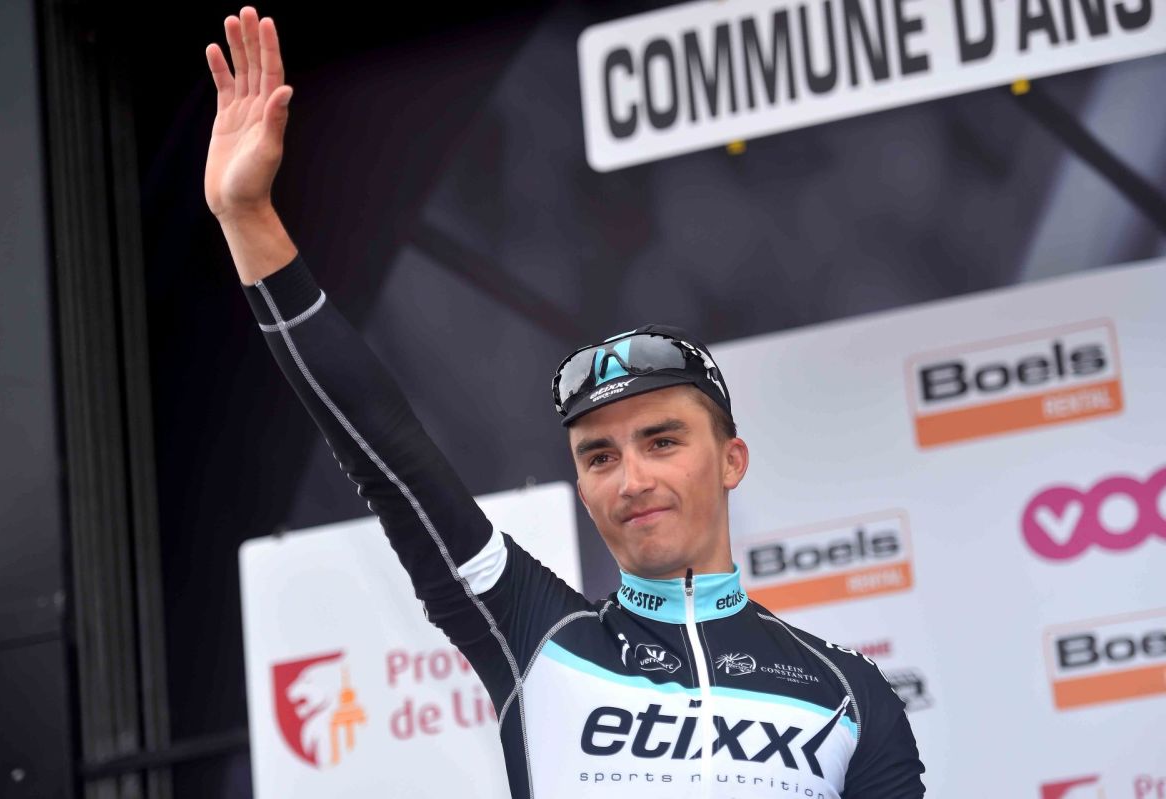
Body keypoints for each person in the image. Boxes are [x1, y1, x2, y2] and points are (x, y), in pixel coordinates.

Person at [204, 7, 926, 797]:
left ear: (732, 459)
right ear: (581, 486)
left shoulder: (848, 694)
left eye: (661, 440)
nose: (632, 479)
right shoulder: (536, 634)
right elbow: (384, 444)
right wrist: (249, 218)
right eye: (599, 456)